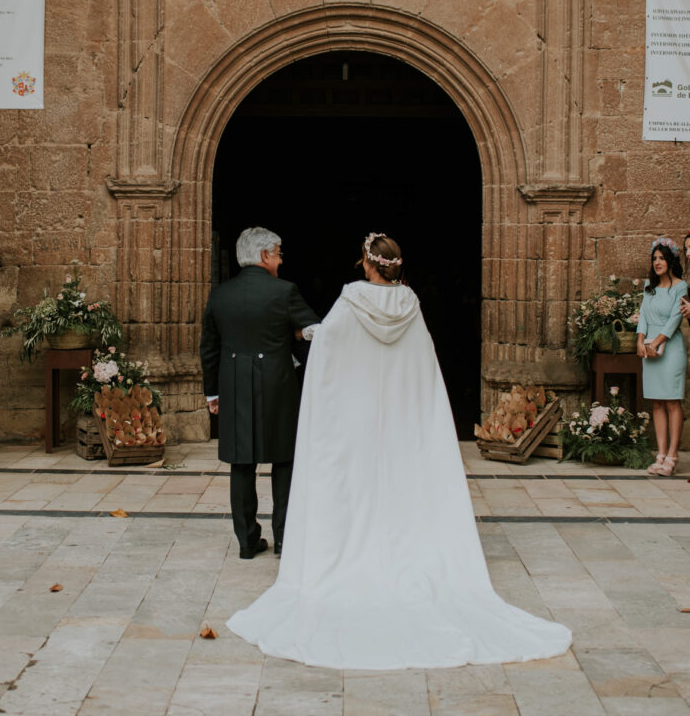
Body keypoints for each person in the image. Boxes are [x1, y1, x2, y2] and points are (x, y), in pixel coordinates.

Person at [226, 233, 571, 669]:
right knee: (398, 493)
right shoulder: (411, 306)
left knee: (359, 494)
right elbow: (424, 369)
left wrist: (327, 415)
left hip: (355, 427)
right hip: (401, 428)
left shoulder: (350, 302)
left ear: (368, 266)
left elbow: (327, 355)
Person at [199, 226, 319, 559]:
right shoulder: (285, 291)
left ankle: (247, 543)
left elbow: (209, 347)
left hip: (233, 385)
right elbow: (315, 332)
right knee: (284, 461)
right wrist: (299, 341)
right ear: (265, 255)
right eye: (279, 254)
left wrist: (212, 394)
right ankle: (283, 541)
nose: (281, 261)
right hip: (278, 384)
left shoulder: (219, 295)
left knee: (241, 463)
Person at [637, 237, 688, 477]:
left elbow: (676, 318)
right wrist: (640, 341)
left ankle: (672, 455)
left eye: (662, 258)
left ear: (670, 260)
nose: (657, 262)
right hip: (649, 347)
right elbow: (643, 315)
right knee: (657, 401)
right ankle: (660, 454)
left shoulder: (681, 286)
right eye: (654, 258)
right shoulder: (649, 286)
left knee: (671, 401)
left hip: (670, 347)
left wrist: (657, 342)